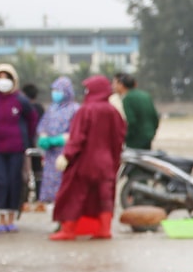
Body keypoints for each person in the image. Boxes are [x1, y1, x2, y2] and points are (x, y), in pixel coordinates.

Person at [49, 75, 127, 241]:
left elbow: (77, 138)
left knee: (74, 195)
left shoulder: (86, 110)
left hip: (85, 162)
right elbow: (119, 138)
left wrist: (66, 156)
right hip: (106, 163)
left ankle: (69, 230)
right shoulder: (113, 111)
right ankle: (104, 229)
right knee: (104, 197)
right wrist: (114, 161)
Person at [0, 62, 39, 232]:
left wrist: (27, 138)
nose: (3, 81)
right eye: (0, 78)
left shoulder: (20, 100)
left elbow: (32, 119)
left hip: (16, 147)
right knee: (1, 181)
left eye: (7, 78)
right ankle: (1, 216)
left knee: (14, 181)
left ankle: (12, 217)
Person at [35, 76, 77, 209]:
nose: (55, 93)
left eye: (58, 90)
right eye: (54, 90)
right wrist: (43, 138)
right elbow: (43, 126)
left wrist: (59, 139)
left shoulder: (75, 109)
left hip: (66, 153)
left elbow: (76, 132)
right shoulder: (52, 108)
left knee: (66, 184)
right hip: (50, 154)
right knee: (51, 186)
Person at [20, 82, 47, 208]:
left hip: (26, 142)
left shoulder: (23, 107)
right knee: (38, 172)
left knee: (24, 172)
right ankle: (38, 198)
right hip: (37, 143)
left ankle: (24, 199)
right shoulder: (40, 107)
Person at [116, 73, 159, 149]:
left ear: (121, 85)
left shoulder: (127, 98)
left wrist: (126, 137)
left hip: (135, 139)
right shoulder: (146, 95)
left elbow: (131, 121)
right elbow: (155, 117)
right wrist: (152, 132)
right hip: (149, 136)